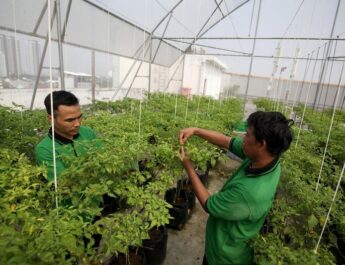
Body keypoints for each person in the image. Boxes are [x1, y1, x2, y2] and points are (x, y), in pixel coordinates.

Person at [178, 111, 293, 265]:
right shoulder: (268, 159)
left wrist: (188, 166)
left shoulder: (250, 192)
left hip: (224, 257)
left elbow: (208, 204)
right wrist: (196, 131)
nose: (243, 138)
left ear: (261, 143)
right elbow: (227, 142)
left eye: (247, 135)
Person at [35, 91, 97, 181]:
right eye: (70, 120)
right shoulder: (45, 149)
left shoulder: (87, 132)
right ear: (51, 119)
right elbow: (65, 184)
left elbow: (103, 161)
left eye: (79, 117)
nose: (77, 124)